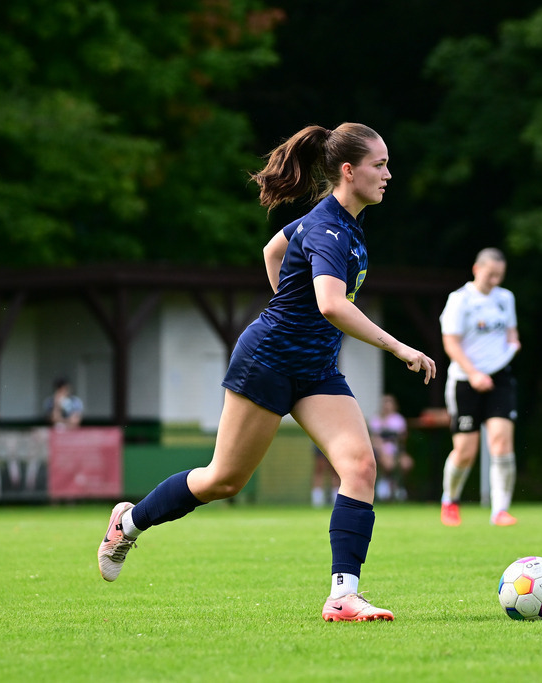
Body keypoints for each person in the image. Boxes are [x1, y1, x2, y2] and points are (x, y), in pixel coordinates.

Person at [95, 122, 435, 622]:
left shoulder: (341, 222)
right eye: (379, 165)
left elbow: (273, 250)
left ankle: (343, 594)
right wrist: (399, 347)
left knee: (360, 467)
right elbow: (332, 305)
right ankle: (128, 521)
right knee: (223, 480)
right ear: (348, 170)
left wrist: (287, 301)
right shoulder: (328, 227)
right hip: (268, 360)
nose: (388, 175)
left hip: (315, 369)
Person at [438, 247, 521, 527]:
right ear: (477, 269)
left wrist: (512, 346)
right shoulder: (460, 300)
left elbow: (511, 333)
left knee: (500, 441)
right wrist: (474, 374)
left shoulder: (505, 298)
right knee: (465, 450)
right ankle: (450, 500)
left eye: (500, 276)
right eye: (491, 275)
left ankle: (500, 510)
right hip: (466, 380)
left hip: (500, 378)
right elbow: (451, 343)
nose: (495, 281)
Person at [368, 393, 413, 501]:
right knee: (388, 463)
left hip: (396, 452)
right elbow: (373, 439)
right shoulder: (376, 419)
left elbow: (402, 440)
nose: (386, 406)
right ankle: (384, 484)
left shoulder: (399, 420)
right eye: (385, 403)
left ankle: (396, 485)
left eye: (389, 402)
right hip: (380, 452)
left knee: (407, 463)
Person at [310, 443, 340, 508]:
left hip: (335, 440)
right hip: (320, 440)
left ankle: (336, 500)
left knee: (335, 470)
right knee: (319, 468)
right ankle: (317, 501)